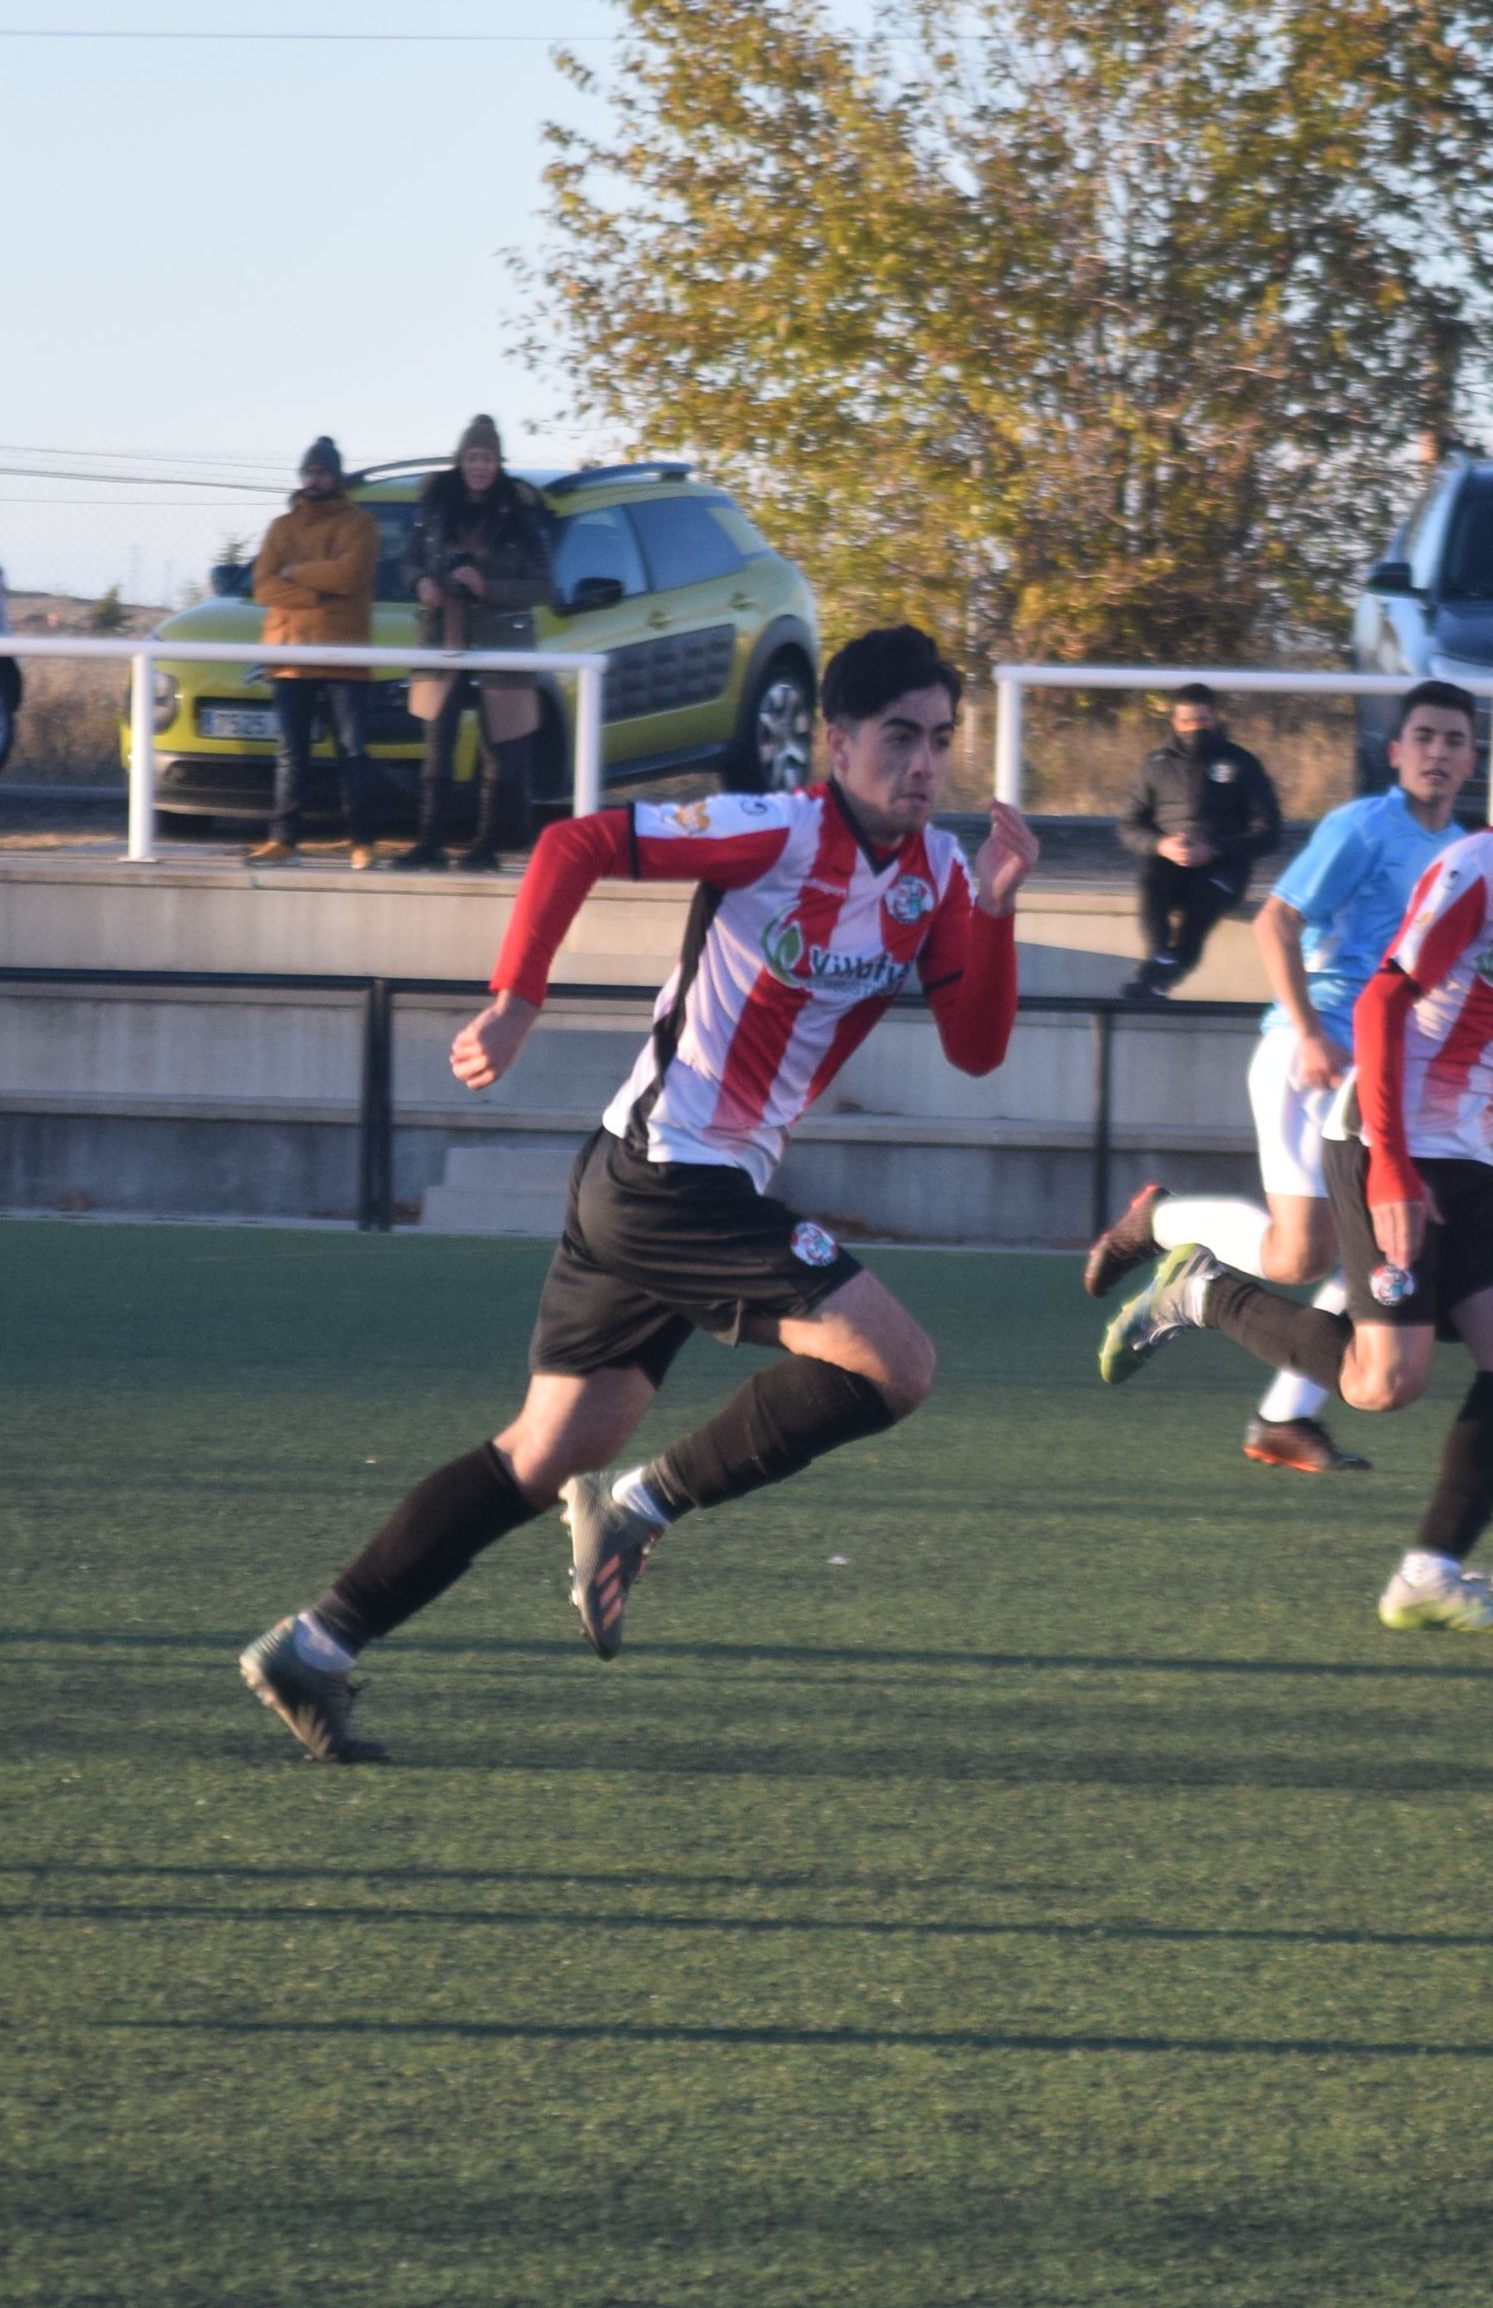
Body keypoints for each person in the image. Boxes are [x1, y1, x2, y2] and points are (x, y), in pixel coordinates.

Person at [237, 626, 1039, 1762]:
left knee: (548, 1444)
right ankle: (640, 1507)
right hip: (669, 1177)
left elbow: (974, 1049)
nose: (923, 763)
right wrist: (516, 999)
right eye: (899, 736)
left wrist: (998, 908)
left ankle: (312, 1647)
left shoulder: (941, 878)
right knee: (896, 1364)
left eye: (941, 740)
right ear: (836, 741)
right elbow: (574, 842)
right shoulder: (776, 828)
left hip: (657, 1182)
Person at [1091, 702, 1493, 1635]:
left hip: (1463, 1153)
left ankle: (1430, 1573)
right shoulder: (1480, 868)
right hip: (1380, 1140)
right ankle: (1204, 1294)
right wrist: (1388, 1168)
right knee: (1384, 1384)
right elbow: (1385, 1003)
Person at [1079, 679, 1485, 1475]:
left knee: (1387, 1255)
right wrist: (1306, 1033)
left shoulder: (1469, 853)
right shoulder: (1364, 827)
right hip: (1315, 1063)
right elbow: (1277, 920)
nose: (1438, 752)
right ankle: (1162, 1229)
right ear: (1397, 752)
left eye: (1453, 740)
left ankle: (1281, 1419)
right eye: (1424, 737)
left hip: (1385, 1082)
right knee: (1299, 1259)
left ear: (1472, 758)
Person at [393, 417, 554, 873]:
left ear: (498, 463)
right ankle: (429, 843)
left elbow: (543, 587)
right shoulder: (435, 504)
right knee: (436, 745)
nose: (478, 467)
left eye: (486, 458)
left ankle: (486, 846)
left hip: (501, 643)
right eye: (471, 458)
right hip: (442, 637)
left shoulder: (519, 511)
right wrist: (422, 580)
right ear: (460, 460)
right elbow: (405, 561)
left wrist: (487, 586)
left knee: (499, 751)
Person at [251, 437, 384, 868]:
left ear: (337, 477)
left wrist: (296, 574)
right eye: (310, 472)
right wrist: (317, 597)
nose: (315, 479)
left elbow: (350, 574)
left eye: (323, 472)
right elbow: (263, 586)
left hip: (344, 655)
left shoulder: (360, 524)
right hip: (289, 655)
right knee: (291, 753)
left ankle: (362, 841)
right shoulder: (281, 528)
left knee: (352, 751)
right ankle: (284, 839)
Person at [1115, 684, 1288, 997]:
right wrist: (1161, 845)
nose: (1196, 728)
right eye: (1187, 721)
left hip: (1223, 868)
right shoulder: (1155, 766)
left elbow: (1269, 833)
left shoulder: (1243, 764)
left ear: (1217, 719)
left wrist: (1215, 849)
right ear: (1174, 723)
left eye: (1203, 721)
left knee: (1201, 904)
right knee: (1152, 881)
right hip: (1169, 866)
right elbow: (1129, 826)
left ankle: (1156, 979)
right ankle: (1159, 958)